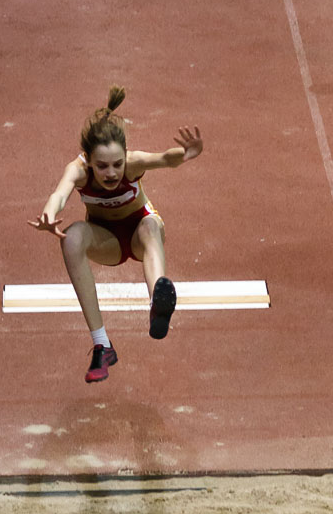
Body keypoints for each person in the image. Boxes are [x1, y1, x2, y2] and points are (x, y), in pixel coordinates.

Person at [29, 86, 203, 382]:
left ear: (125, 157)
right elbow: (59, 193)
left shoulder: (133, 164)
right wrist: (48, 213)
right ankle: (102, 345)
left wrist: (186, 153)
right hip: (106, 241)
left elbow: (164, 159)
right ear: (88, 160)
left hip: (141, 236)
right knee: (71, 237)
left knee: (150, 223)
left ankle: (158, 300)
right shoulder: (78, 170)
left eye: (117, 164)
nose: (111, 173)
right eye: (102, 166)